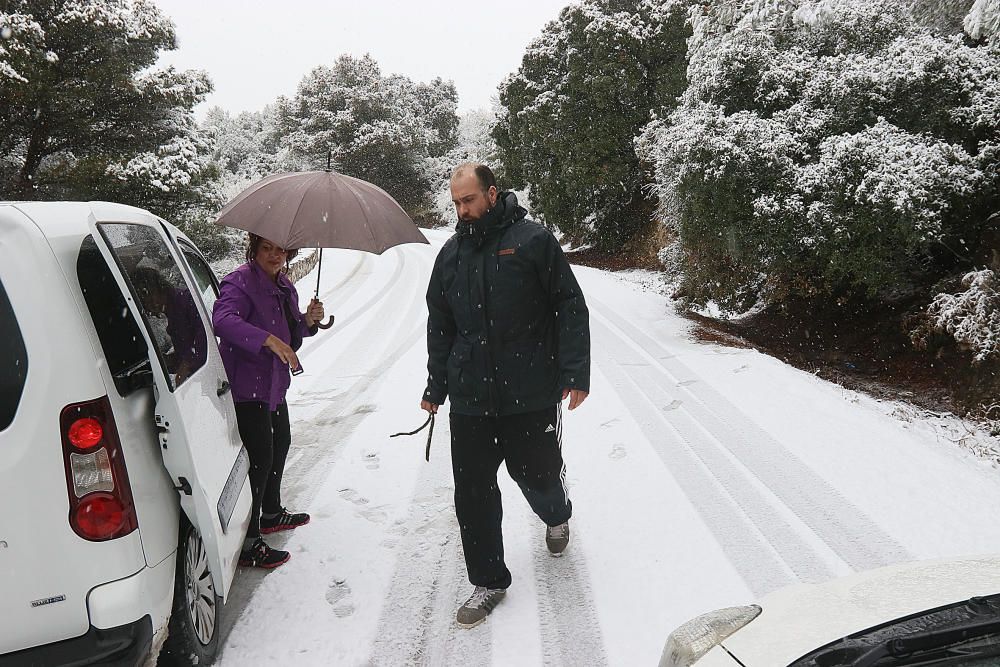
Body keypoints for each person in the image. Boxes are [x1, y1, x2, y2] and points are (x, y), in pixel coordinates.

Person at [421, 162, 591, 628]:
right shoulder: (450, 256)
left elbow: (569, 305)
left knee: (536, 475)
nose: (462, 210)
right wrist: (437, 385)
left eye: (469, 200)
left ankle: (557, 514)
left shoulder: (533, 241)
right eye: (456, 203)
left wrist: (575, 370)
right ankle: (489, 581)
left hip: (530, 391)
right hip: (471, 397)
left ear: (492, 194)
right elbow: (441, 326)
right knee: (472, 494)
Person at [213, 234, 326, 568]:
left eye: (280, 250)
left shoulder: (284, 286)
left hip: (273, 384)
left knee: (282, 443)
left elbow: (293, 334)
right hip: (246, 385)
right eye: (267, 249)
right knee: (260, 458)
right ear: (255, 249)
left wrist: (308, 320)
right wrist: (266, 339)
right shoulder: (239, 282)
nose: (275, 256)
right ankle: (248, 542)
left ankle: (272, 512)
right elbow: (222, 320)